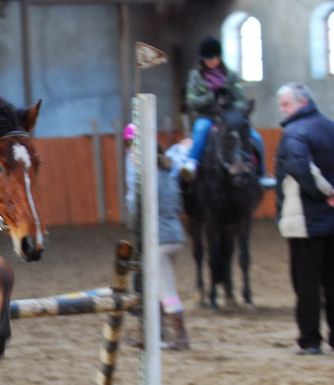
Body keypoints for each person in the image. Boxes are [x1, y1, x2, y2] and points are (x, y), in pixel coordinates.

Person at [274, 82, 334, 355]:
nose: (282, 110)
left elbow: (300, 168)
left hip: (305, 221)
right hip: (330, 220)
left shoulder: (294, 132)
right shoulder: (330, 126)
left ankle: (310, 340)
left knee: (306, 284)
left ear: (303, 102)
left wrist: (326, 193)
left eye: (286, 104)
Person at [123, 124, 190, 350]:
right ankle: (158, 332)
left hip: (159, 240)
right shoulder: (168, 169)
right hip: (176, 236)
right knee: (158, 287)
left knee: (167, 290)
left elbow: (136, 210)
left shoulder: (145, 175)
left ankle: (180, 337)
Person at [182, 36, 276, 190]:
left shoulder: (231, 76)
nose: (211, 61)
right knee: (200, 129)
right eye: (207, 59)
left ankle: (261, 174)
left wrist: (229, 104)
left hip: (229, 117)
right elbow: (191, 102)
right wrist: (212, 97)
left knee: (256, 137)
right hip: (207, 117)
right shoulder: (195, 76)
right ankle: (191, 164)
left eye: (213, 58)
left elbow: (241, 100)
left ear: (219, 57)